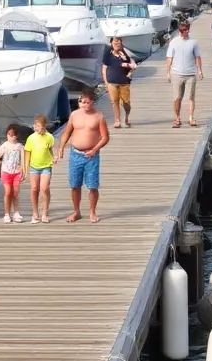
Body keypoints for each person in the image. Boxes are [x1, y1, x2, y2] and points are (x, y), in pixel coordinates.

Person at [56, 91, 109, 222]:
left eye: (87, 102)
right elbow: (66, 133)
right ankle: (76, 211)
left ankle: (92, 212)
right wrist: (61, 148)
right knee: (74, 184)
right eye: (82, 102)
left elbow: (105, 137)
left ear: (92, 102)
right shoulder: (74, 115)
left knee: (92, 186)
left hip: (91, 155)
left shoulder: (98, 117)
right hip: (75, 154)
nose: (84, 104)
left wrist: (94, 150)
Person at [165, 21, 203, 128]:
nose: (184, 33)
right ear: (180, 31)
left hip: (191, 74)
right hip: (177, 74)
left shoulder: (193, 42)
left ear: (188, 30)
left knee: (191, 97)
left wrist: (200, 70)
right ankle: (177, 118)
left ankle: (191, 117)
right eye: (182, 31)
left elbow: (197, 57)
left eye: (186, 30)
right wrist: (168, 72)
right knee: (177, 97)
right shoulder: (173, 42)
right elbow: (169, 58)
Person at [24, 114, 56, 223]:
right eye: (36, 126)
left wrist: (54, 157)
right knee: (34, 189)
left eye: (40, 126)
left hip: (46, 165)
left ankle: (45, 213)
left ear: (44, 126)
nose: (37, 128)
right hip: (34, 166)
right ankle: (35, 212)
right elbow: (27, 153)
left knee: (45, 188)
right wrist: (25, 168)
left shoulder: (49, 137)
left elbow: (51, 150)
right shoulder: (31, 138)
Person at [101, 36, 136, 128]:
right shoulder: (108, 56)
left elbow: (133, 66)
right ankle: (117, 120)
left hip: (124, 82)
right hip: (112, 82)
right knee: (114, 101)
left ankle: (126, 117)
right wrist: (106, 82)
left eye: (119, 42)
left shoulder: (125, 54)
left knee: (126, 103)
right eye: (116, 42)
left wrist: (129, 73)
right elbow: (104, 69)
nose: (118, 44)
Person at [0, 124, 25, 223]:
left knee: (15, 193)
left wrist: (23, 172)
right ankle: (7, 214)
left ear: (16, 136)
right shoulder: (4, 146)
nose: (10, 136)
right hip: (6, 172)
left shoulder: (20, 147)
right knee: (8, 192)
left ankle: (16, 212)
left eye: (12, 135)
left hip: (16, 173)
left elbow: (23, 160)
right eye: (8, 134)